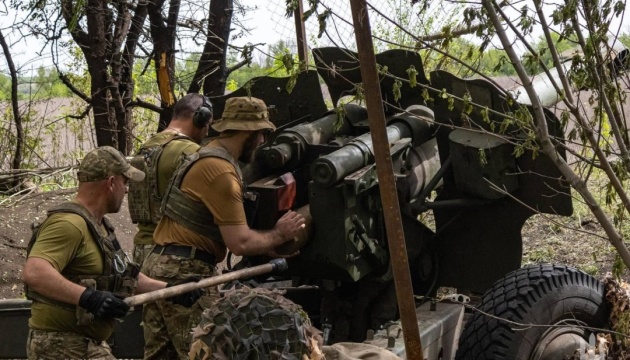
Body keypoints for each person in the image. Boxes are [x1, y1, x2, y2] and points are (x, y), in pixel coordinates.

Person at [141, 96, 306, 360]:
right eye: (262, 133)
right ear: (247, 131)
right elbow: (239, 243)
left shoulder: (204, 154)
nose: (263, 141)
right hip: (187, 272)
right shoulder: (220, 172)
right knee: (208, 353)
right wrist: (279, 234)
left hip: (161, 264)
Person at [22, 146, 202, 360]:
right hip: (59, 346)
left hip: (90, 344)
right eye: (125, 182)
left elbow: (125, 278)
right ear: (111, 183)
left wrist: (173, 290)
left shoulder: (99, 226)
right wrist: (89, 298)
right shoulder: (68, 224)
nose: (126, 190)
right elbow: (35, 272)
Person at [128, 93, 213, 268]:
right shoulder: (191, 152)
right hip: (175, 256)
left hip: (142, 251)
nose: (207, 131)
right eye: (208, 125)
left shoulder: (146, 147)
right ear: (201, 117)